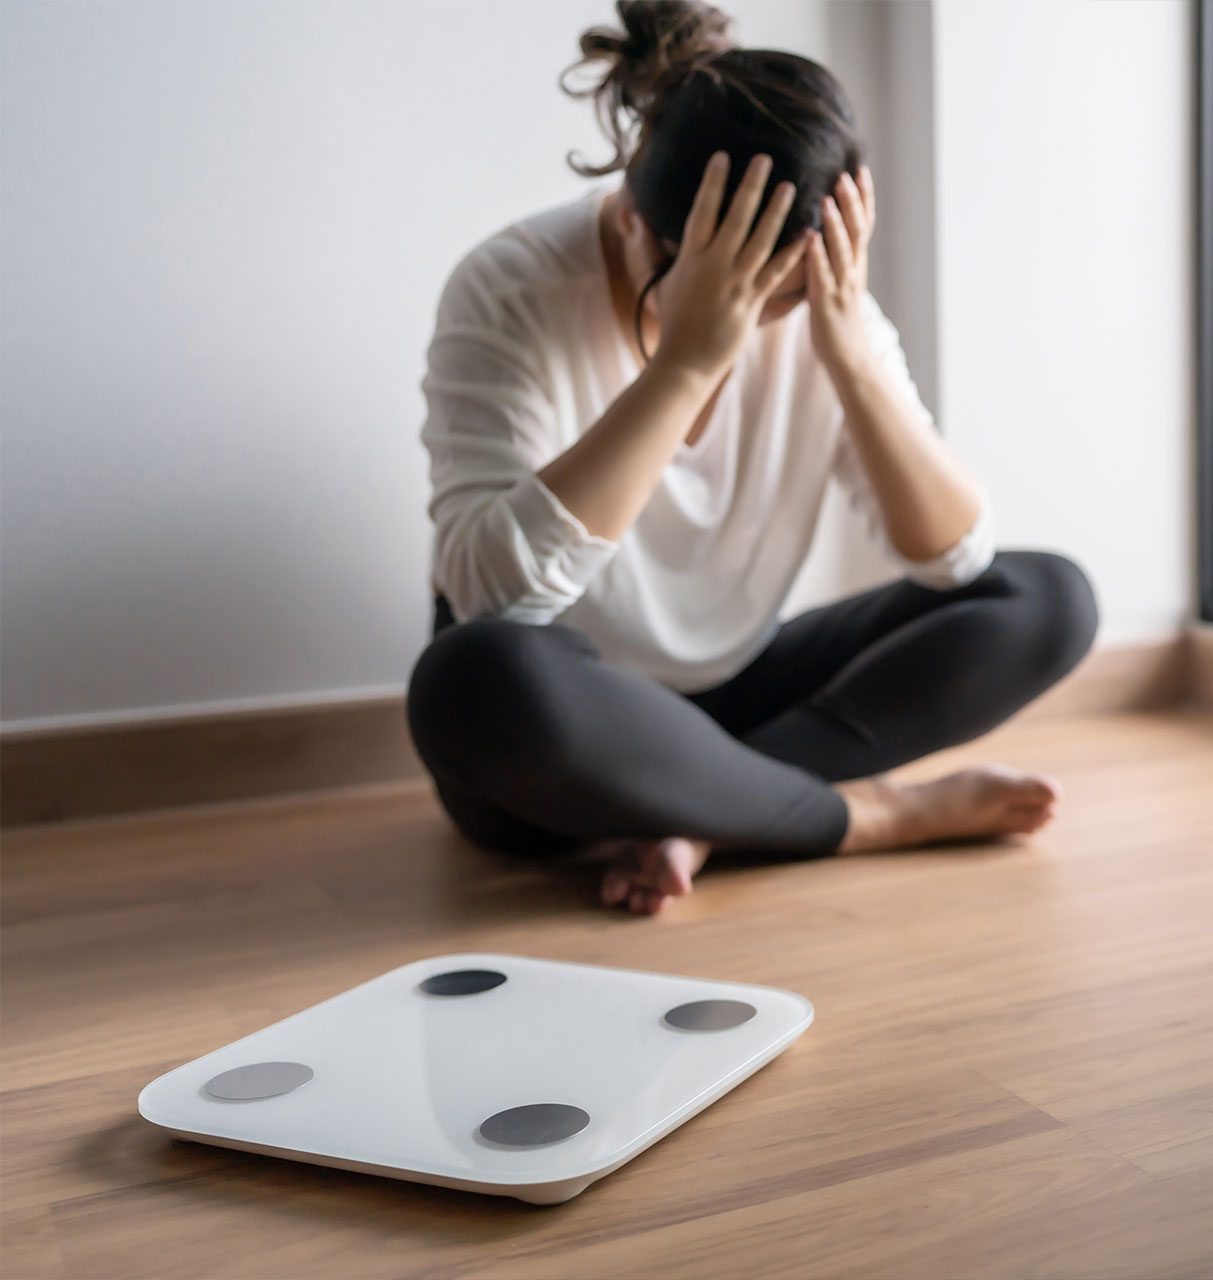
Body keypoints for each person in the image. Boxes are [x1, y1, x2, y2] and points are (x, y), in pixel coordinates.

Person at [405, 0, 1097, 916]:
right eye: (751, 296)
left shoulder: (821, 305)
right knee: (469, 678)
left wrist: (851, 355)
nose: (770, 319)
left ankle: (717, 811)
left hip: (740, 696)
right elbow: (495, 595)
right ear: (641, 230)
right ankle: (866, 817)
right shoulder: (510, 286)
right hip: (580, 723)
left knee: (1047, 599)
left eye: (789, 296)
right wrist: (689, 360)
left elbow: (953, 558)